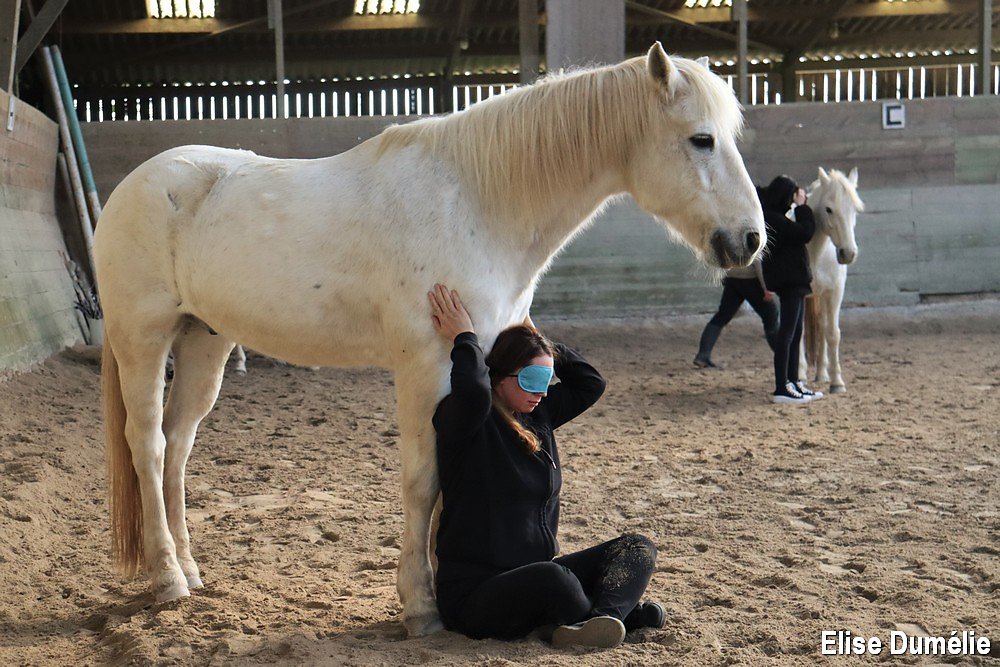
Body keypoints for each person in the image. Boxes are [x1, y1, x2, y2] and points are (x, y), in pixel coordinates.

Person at [427, 283, 665, 648]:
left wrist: (540, 339)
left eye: (546, 380)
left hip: (534, 577)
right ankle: (613, 616)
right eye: (531, 380)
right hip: (475, 595)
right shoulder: (468, 421)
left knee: (635, 547)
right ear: (498, 376)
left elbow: (590, 383)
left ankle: (605, 619)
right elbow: (472, 389)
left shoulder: (539, 416)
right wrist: (465, 337)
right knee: (555, 580)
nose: (541, 392)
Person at [759, 176, 824, 404]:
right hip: (790, 282)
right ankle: (782, 387)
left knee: (794, 334)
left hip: (793, 282)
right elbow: (805, 232)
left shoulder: (775, 217)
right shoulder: (774, 219)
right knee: (787, 335)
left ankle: (793, 382)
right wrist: (803, 207)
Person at [693, 257, 778, 369]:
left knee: (721, 317)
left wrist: (723, 277)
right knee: (771, 316)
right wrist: (767, 288)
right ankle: (782, 354)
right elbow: (758, 261)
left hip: (732, 278)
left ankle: (703, 355)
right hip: (751, 279)